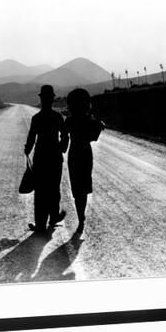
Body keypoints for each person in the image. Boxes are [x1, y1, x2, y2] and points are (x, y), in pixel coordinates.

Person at [24, 85, 68, 233]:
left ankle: (40, 223)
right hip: (55, 157)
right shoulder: (57, 117)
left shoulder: (36, 118)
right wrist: (62, 147)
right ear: (52, 99)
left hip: (41, 157)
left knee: (41, 190)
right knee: (54, 188)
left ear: (42, 99)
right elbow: (65, 135)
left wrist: (27, 150)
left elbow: (31, 138)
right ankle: (54, 217)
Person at [65, 88, 103, 233]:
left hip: (74, 154)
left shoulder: (69, 121)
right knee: (84, 186)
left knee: (76, 188)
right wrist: (96, 120)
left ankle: (80, 216)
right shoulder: (90, 121)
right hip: (86, 154)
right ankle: (82, 217)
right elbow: (94, 137)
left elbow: (63, 145)